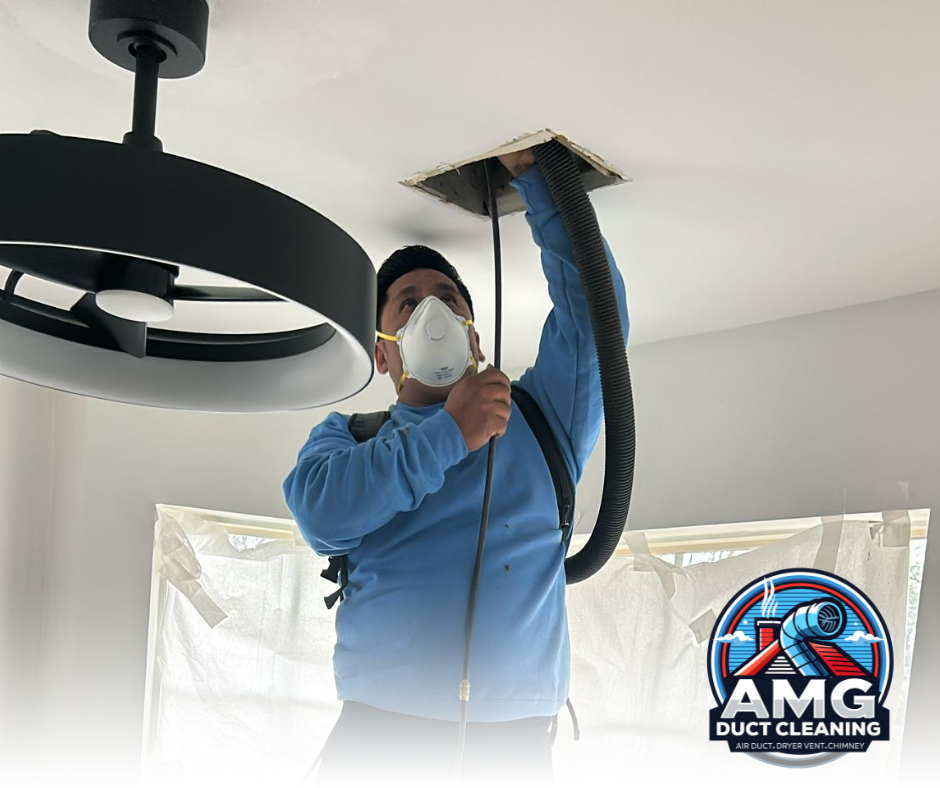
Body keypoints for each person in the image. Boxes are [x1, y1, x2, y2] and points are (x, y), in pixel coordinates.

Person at [283, 148, 629, 787]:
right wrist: (449, 435)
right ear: (382, 354)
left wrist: (536, 177)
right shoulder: (349, 440)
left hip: (516, 744)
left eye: (446, 298)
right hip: (381, 740)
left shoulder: (540, 417)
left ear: (474, 336)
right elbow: (320, 514)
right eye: (406, 304)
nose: (430, 312)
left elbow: (596, 317)